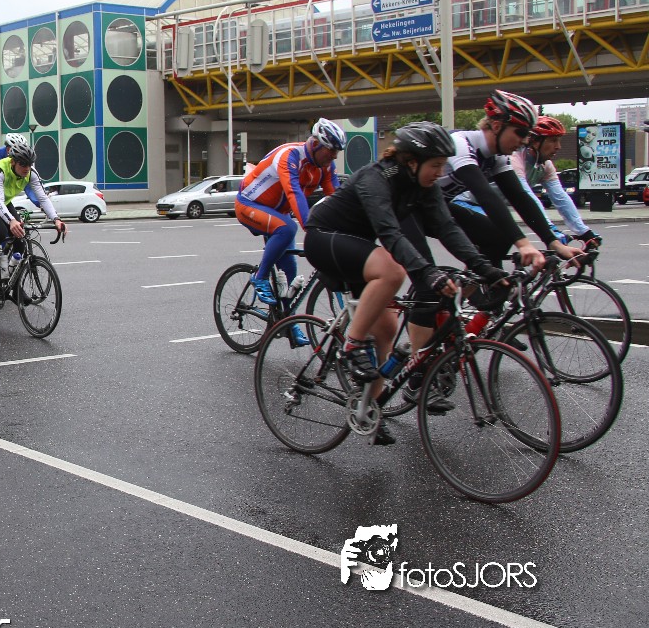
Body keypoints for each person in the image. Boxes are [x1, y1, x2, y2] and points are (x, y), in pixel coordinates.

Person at [304, 123, 507, 444]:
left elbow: (448, 228)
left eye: (443, 165)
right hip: (324, 237)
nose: (440, 172)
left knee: (386, 330)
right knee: (393, 271)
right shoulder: (376, 178)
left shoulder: (422, 184)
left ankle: (368, 409)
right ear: (412, 161)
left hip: (360, 249)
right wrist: (428, 273)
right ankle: (351, 345)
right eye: (436, 165)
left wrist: (488, 270)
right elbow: (389, 233)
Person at [437, 90, 580, 274]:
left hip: (437, 206)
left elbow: (519, 197)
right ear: (497, 126)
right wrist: (524, 244)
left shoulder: (497, 156)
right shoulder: (461, 143)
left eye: (528, 134)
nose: (525, 141)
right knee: (423, 272)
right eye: (521, 133)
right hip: (409, 207)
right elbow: (485, 195)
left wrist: (553, 242)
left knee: (500, 237)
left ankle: (478, 289)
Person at [236, 118, 344, 307]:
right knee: (288, 228)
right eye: (331, 150)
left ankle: (285, 320)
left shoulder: (325, 166)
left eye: (338, 151)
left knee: (290, 273)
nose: (335, 156)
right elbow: (294, 193)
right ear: (316, 144)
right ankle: (260, 277)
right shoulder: (290, 156)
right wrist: (311, 228)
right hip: (249, 204)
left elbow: (336, 198)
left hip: (279, 213)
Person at [0, 139, 64, 297]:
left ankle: (11, 284)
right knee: (0, 232)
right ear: (13, 161)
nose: (27, 168)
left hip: (5, 203)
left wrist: (56, 219)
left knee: (20, 239)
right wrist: (11, 221)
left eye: (29, 164)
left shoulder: (31, 172)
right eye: (23, 164)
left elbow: (42, 197)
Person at [510, 115, 599, 248]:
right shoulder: (515, 159)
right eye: (553, 140)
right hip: (480, 205)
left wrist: (583, 231)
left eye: (559, 141)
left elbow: (560, 197)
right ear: (535, 141)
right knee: (503, 237)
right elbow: (527, 198)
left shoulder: (545, 165)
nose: (558, 147)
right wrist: (550, 229)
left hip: (497, 208)